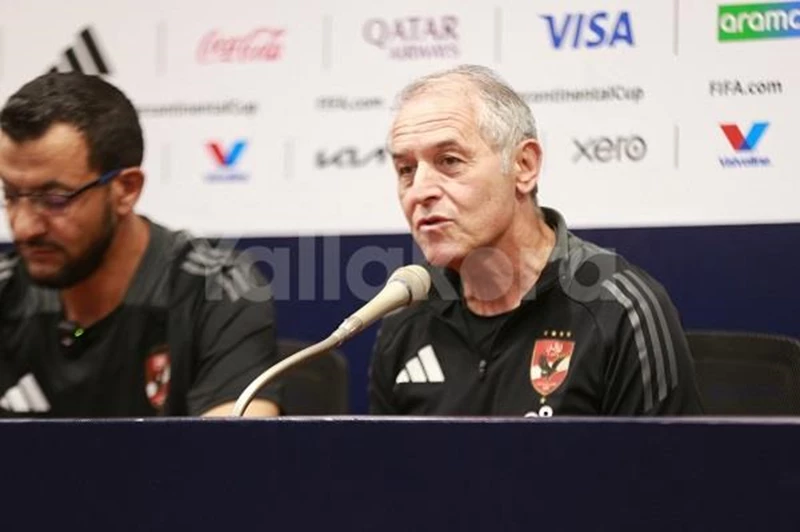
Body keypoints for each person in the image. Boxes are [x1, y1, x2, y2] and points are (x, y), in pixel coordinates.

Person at [369, 65, 703, 416]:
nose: (419, 191)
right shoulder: (405, 321)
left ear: (524, 166)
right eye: (406, 170)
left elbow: (665, 455)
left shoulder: (620, 310)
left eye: (449, 161)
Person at [0, 72, 281, 417]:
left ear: (126, 189)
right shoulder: (6, 290)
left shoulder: (215, 291)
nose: (24, 227)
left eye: (55, 198)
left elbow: (238, 448)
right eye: (10, 194)